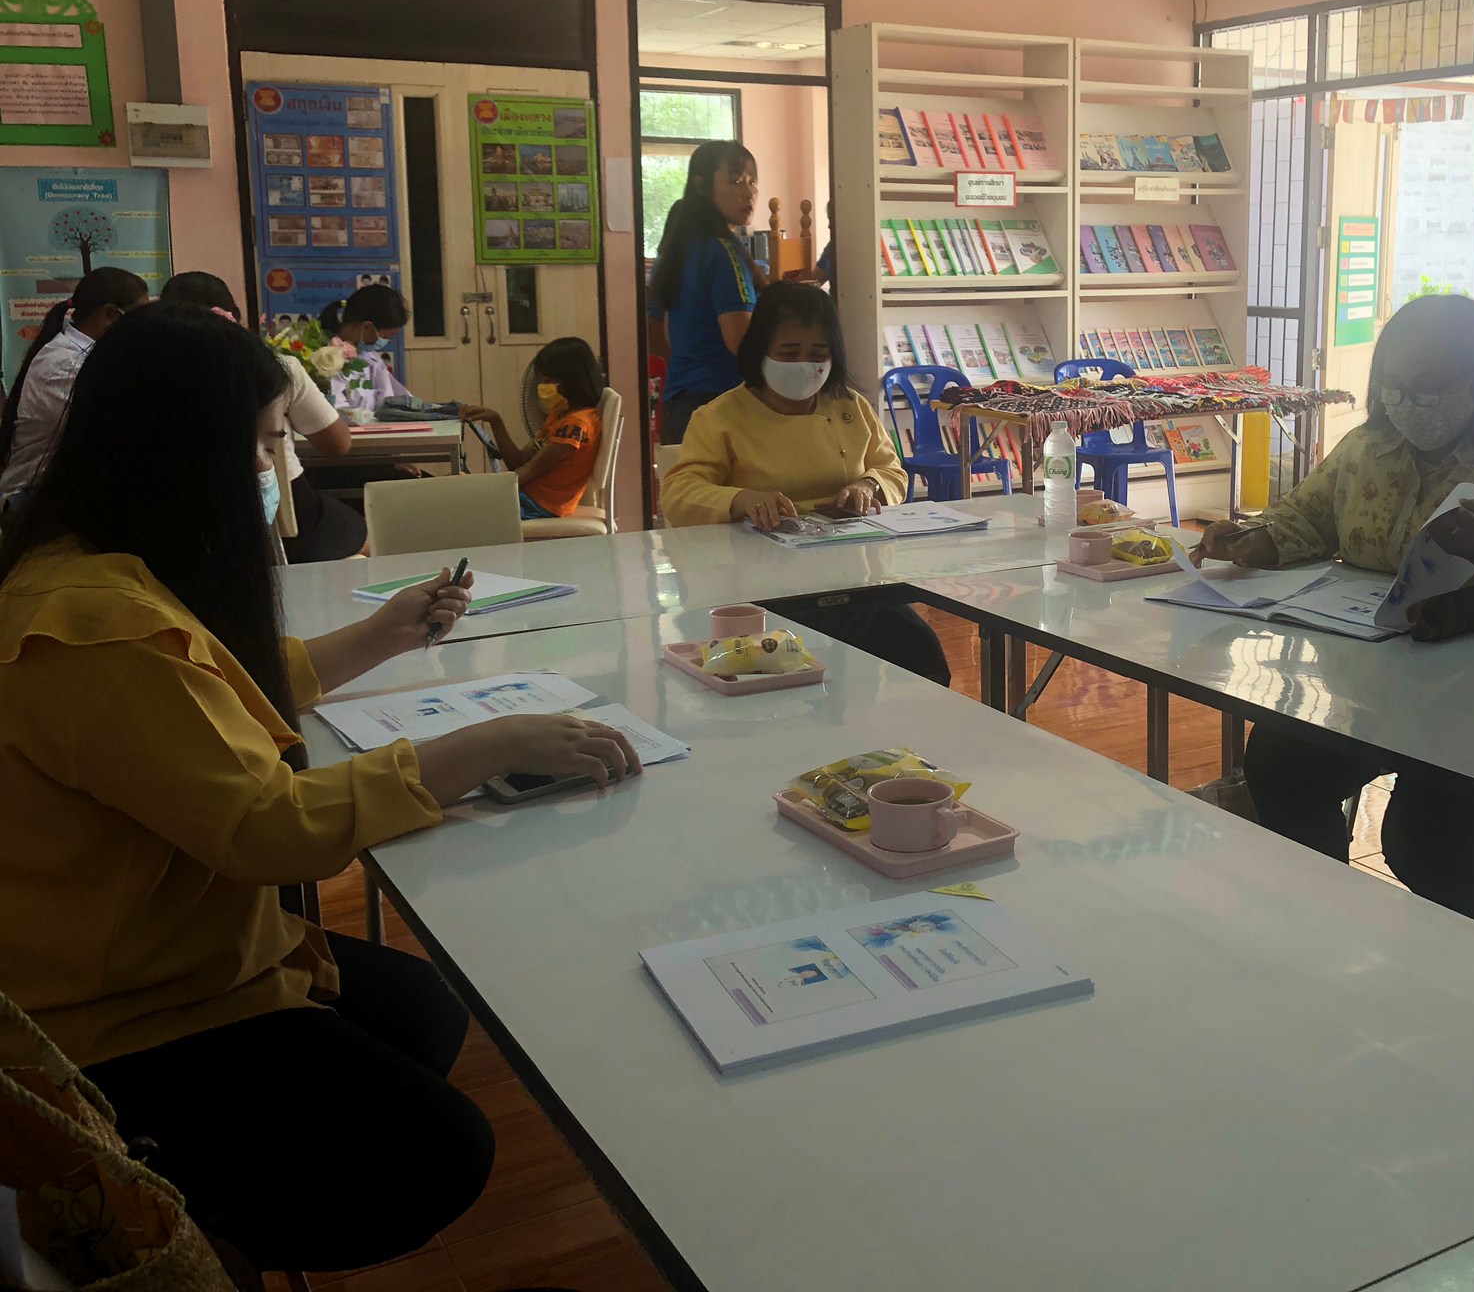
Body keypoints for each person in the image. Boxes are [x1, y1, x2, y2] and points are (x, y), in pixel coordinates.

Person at [0, 304, 643, 1273]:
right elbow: (271, 830)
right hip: (119, 1022)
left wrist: (385, 633)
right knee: (443, 1148)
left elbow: (214, 695)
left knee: (425, 1011)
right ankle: (187, 1216)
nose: (279, 467)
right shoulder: (96, 628)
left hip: (172, 949)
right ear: (187, 451)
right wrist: (491, 743)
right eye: (266, 444)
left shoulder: (91, 568)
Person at [1195, 295, 1474, 933]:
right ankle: (1321, 929)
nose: (1410, 402)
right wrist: (1255, 539)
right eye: (1396, 385)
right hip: (1373, 683)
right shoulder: (1368, 447)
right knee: (1278, 765)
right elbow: (1305, 516)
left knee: (1424, 838)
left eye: (1430, 386)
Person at [660, 281, 949, 685]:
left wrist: (868, 486)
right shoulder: (719, 417)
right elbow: (678, 494)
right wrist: (741, 499)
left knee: (921, 652)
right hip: (761, 586)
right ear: (760, 351)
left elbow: (892, 471)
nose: (804, 365)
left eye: (818, 354)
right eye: (789, 352)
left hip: (852, 576)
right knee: (811, 670)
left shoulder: (850, 406)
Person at [159, 271, 368, 561]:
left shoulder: (151, 377)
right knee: (365, 536)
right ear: (234, 317)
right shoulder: (276, 368)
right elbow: (338, 444)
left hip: (180, 525)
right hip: (283, 517)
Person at [0, 266, 149, 508]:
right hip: (30, 501)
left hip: (55, 495)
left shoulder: (85, 355)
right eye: (138, 319)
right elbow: (116, 431)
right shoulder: (67, 364)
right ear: (111, 314)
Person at [649, 140, 760, 443]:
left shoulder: (680, 249)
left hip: (679, 404)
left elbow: (664, 333)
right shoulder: (723, 252)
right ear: (701, 185)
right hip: (722, 405)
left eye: (752, 182)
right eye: (735, 181)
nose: (748, 192)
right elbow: (743, 345)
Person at [461, 337, 608, 521]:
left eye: (550, 379)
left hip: (537, 505)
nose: (543, 385)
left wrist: (480, 488)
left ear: (572, 379)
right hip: (527, 497)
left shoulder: (576, 426)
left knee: (456, 505)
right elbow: (518, 462)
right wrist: (496, 421)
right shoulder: (560, 415)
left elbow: (525, 474)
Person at [319, 282, 411, 410]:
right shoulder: (323, 358)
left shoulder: (371, 360)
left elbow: (390, 401)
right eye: (388, 336)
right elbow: (334, 411)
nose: (389, 341)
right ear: (367, 327)